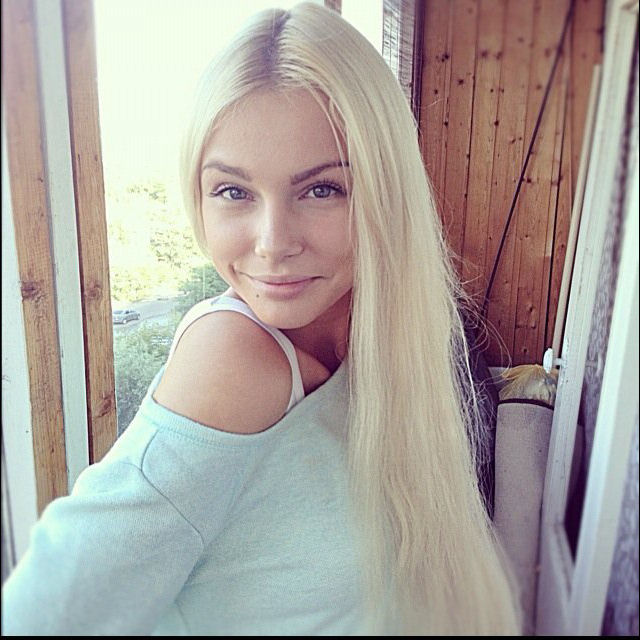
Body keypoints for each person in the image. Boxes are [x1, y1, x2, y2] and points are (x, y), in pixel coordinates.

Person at [2, 2, 522, 635]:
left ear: (387, 190)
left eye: (322, 189)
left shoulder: (397, 336)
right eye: (234, 191)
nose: (273, 243)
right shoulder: (234, 359)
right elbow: (42, 617)